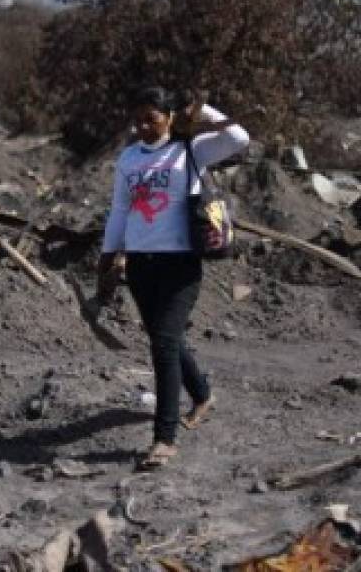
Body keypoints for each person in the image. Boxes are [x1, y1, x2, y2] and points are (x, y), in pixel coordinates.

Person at [95, 86, 249, 470]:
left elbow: (239, 138)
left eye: (152, 117)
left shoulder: (190, 151)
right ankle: (202, 394)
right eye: (138, 118)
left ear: (168, 117)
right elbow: (119, 209)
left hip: (181, 263)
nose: (144, 125)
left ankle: (164, 438)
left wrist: (198, 110)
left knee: (163, 344)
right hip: (141, 263)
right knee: (166, 338)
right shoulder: (129, 158)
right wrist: (108, 253)